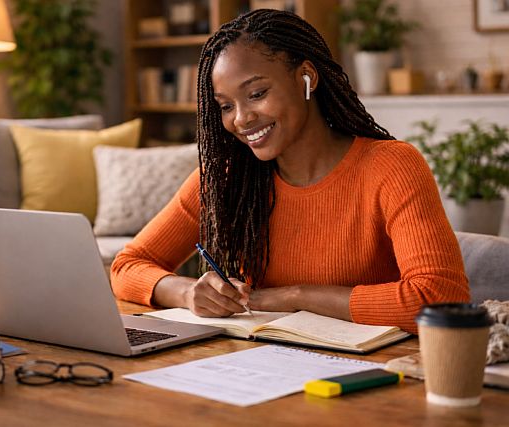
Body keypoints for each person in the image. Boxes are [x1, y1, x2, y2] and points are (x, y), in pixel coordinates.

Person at [111, 9, 469, 333]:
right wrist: (188, 292)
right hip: (258, 368)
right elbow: (127, 266)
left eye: (257, 93)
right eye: (225, 106)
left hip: (369, 375)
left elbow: (441, 297)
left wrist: (297, 296)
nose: (240, 119)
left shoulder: (391, 167)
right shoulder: (226, 176)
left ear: (306, 78)